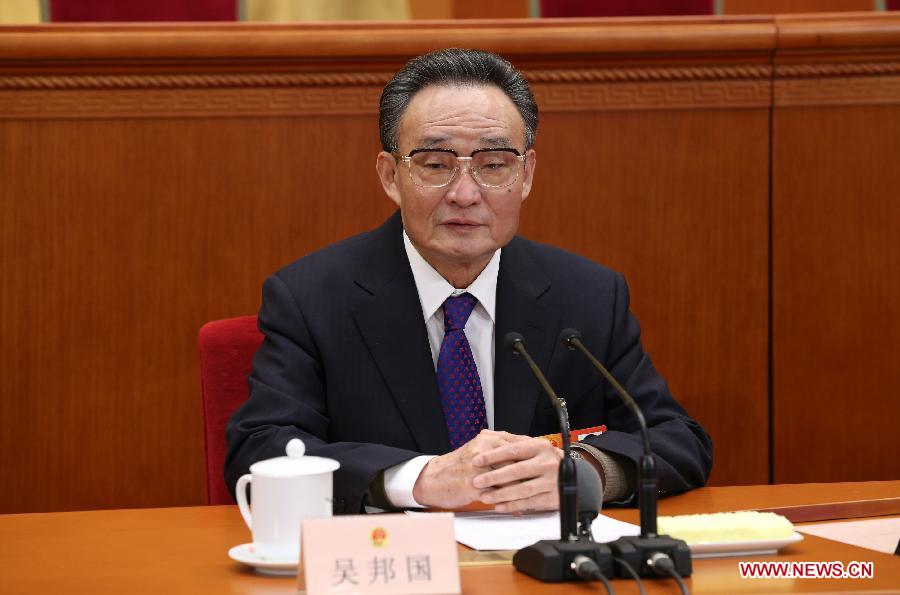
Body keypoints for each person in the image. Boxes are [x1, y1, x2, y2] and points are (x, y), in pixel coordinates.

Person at [225, 48, 712, 515]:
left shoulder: (587, 296)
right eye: (436, 165)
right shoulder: (312, 297)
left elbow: (675, 439)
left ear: (525, 175)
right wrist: (418, 480)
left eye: (493, 165)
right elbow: (262, 449)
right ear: (391, 175)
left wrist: (581, 470)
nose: (464, 193)